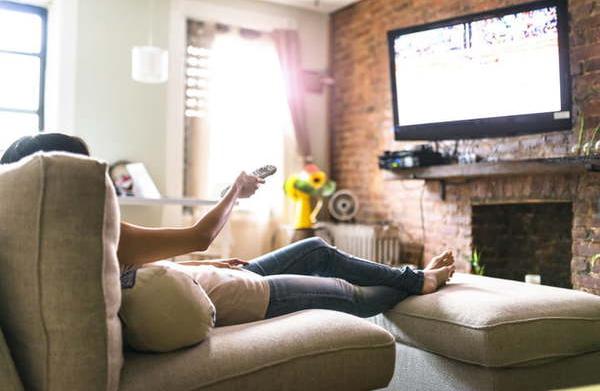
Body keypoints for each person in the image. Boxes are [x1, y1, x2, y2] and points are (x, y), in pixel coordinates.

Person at [1, 133, 455, 326]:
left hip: (212, 278)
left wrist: (206, 262)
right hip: (232, 296)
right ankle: (421, 280)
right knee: (351, 295)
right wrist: (236, 191)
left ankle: (414, 276)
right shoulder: (91, 238)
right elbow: (200, 233)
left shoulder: (61, 242)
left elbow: (149, 267)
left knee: (316, 247)